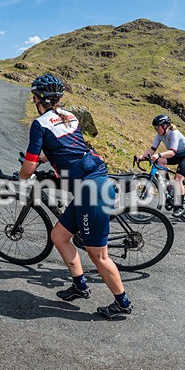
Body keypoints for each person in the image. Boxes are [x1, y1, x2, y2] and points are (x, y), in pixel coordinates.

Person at [18, 74, 132, 320]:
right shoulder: (69, 116)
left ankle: (122, 303)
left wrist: (22, 176)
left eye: (34, 97)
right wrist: (45, 159)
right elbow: (70, 147)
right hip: (89, 186)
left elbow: (28, 167)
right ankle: (80, 286)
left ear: (37, 99)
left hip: (91, 191)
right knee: (59, 236)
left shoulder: (39, 124)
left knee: (98, 255)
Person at [139, 114, 185, 217]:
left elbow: (172, 152)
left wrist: (158, 155)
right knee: (158, 162)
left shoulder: (174, 133)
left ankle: (179, 207)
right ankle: (170, 189)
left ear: (165, 126)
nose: (156, 130)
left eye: (158, 127)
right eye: (155, 128)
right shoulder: (159, 135)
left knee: (178, 179)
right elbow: (152, 149)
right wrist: (142, 157)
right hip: (176, 155)